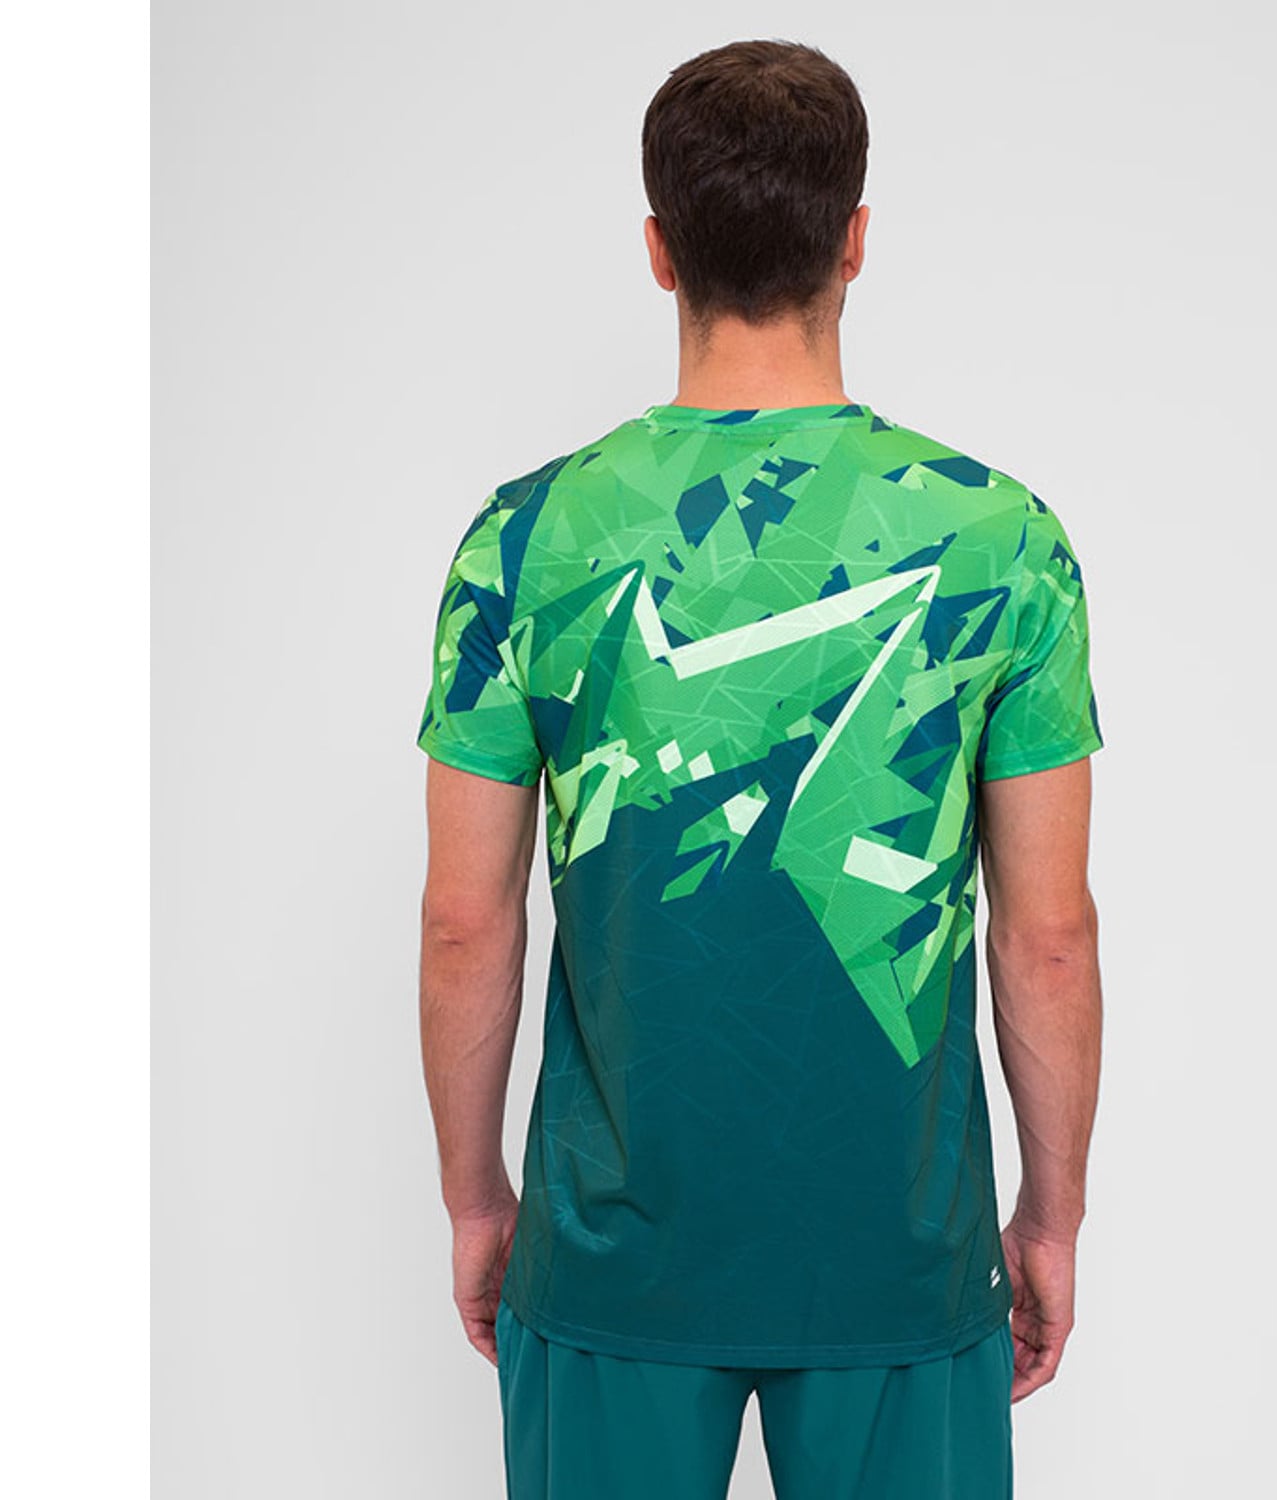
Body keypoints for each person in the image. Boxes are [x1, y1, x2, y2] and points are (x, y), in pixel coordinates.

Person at [416, 37, 1104, 1500]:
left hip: (608, 1258)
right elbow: (1047, 937)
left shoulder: (523, 541)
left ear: (659, 251)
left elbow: (465, 921)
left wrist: (479, 1202)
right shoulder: (1003, 543)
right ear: (854, 240)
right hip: (900, 1263)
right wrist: (1049, 1217)